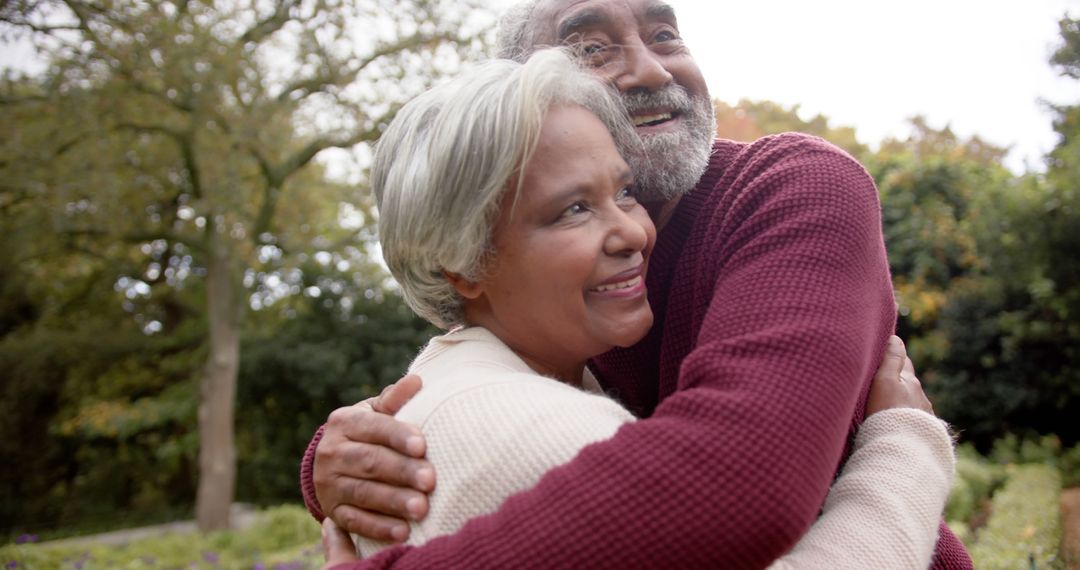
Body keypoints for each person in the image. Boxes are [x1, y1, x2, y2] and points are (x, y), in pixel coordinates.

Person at [302, 0, 974, 567]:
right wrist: (331, 464)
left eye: (664, 33)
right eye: (592, 47)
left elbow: (740, 481)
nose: (653, 69)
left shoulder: (793, 189)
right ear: (522, 98)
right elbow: (475, 408)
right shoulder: (550, 296)